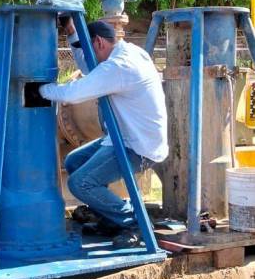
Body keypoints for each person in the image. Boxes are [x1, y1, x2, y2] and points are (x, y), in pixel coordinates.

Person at [38, 20, 168, 247]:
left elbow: (75, 92)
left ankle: (134, 221)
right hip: (125, 136)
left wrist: (38, 91)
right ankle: (110, 218)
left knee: (80, 183)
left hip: (138, 146)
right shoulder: (126, 52)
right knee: (74, 161)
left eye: (91, 47)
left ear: (98, 42)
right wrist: (71, 32)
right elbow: (91, 68)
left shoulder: (120, 66)